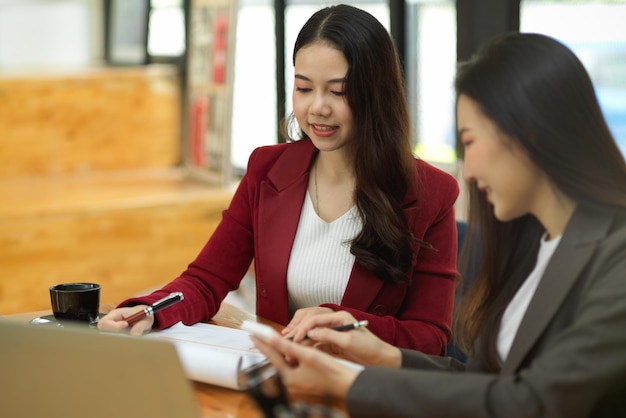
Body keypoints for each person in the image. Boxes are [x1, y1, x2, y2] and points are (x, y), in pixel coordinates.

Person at [252, 32, 626, 417]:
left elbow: (533, 403)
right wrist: (385, 356)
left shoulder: (617, 256)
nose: (469, 171)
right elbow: (486, 382)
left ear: (527, 136)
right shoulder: (536, 243)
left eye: (470, 142)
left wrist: (350, 383)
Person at [98, 4, 460, 353]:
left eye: (338, 92)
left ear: (376, 95)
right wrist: (147, 311)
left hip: (365, 391)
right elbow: (206, 281)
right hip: (278, 378)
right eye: (304, 88)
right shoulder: (267, 169)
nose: (317, 107)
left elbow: (430, 338)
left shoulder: (430, 194)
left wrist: (343, 323)